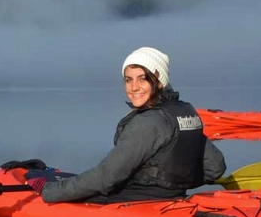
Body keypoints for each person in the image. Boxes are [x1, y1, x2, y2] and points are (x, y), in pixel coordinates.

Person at [33, 47, 227, 204]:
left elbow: (106, 177)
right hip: (172, 199)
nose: (134, 87)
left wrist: (49, 191)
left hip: (136, 201)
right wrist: (174, 185)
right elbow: (215, 167)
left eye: (142, 78)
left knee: (77, 193)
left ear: (159, 81)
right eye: (128, 80)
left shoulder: (149, 122)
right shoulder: (186, 113)